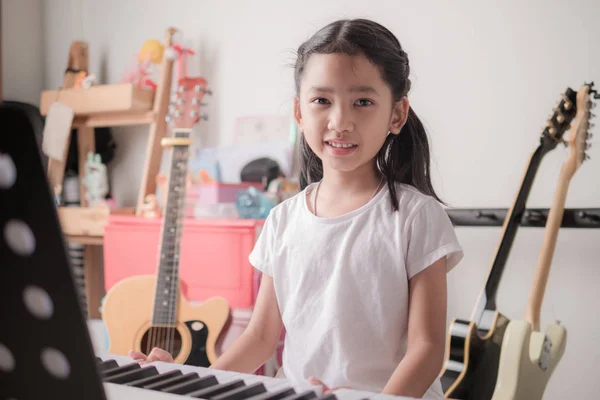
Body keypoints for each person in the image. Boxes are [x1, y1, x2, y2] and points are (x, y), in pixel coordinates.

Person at [129, 18, 463, 399]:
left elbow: (428, 350)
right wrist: (192, 385)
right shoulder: (282, 220)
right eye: (322, 101)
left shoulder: (417, 217)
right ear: (299, 112)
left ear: (397, 114)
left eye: (363, 102)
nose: (340, 122)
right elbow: (259, 336)